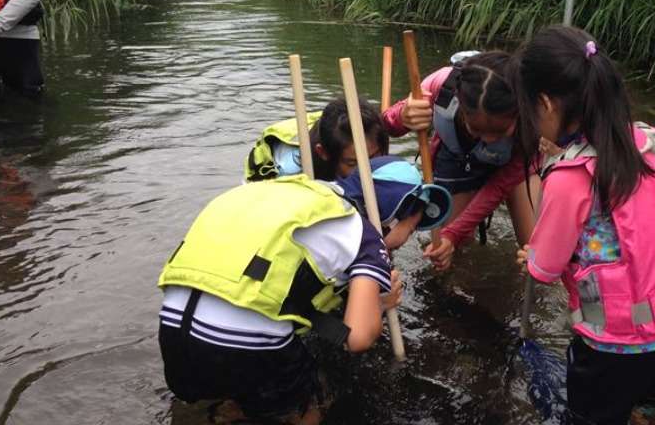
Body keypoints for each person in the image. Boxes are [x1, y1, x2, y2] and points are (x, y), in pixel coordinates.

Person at [157, 159, 451, 424]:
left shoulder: (296, 195)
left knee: (235, 384)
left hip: (173, 327)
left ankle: (231, 409)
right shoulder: (368, 236)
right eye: (411, 230)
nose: (409, 239)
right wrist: (377, 307)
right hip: (249, 344)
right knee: (311, 405)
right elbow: (359, 339)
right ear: (394, 217)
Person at [514, 26, 655, 425]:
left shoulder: (569, 178)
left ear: (545, 103)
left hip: (614, 349)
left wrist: (532, 256)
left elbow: (545, 268)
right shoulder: (649, 145)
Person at [381, 51, 537, 271]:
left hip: (513, 169)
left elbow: (499, 186)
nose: (490, 140)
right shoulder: (440, 86)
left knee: (536, 249)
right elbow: (387, 126)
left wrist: (454, 233)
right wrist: (402, 115)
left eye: (500, 131)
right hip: (458, 161)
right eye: (477, 129)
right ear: (461, 107)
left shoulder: (529, 118)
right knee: (446, 250)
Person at [245, 96, 389, 182]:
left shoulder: (366, 132)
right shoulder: (290, 174)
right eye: (352, 163)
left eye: (374, 158)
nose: (367, 171)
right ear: (323, 153)